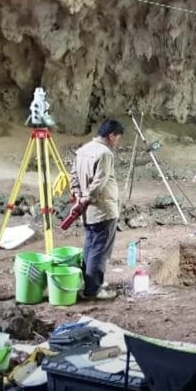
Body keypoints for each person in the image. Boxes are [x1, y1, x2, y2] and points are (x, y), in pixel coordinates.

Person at [70, 119, 125, 301]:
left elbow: (74, 177)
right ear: (111, 136)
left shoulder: (83, 150)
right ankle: (93, 290)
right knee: (99, 250)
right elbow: (99, 182)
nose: (118, 142)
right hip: (103, 209)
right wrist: (86, 198)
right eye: (118, 138)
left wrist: (78, 197)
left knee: (90, 246)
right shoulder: (105, 153)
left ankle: (89, 283)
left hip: (88, 212)